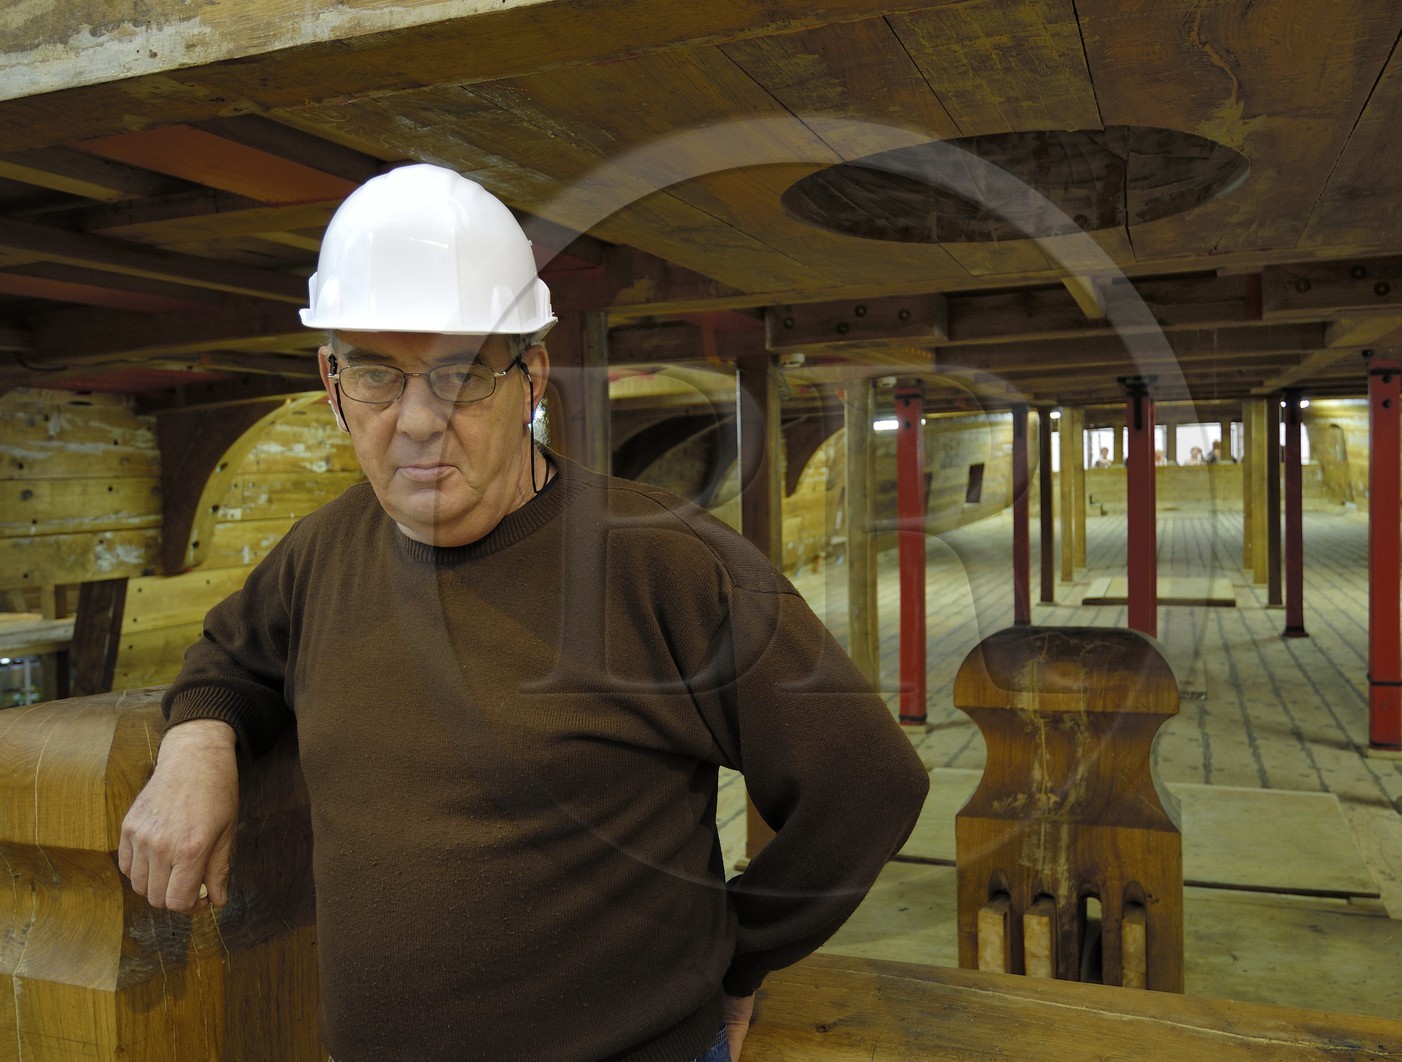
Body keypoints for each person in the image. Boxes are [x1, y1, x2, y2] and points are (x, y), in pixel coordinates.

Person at [118, 164, 929, 1062]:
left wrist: (738, 960)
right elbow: (232, 659)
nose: (418, 421)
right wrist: (197, 745)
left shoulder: (662, 562)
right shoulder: (322, 552)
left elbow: (867, 786)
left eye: (461, 375)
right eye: (378, 376)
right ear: (331, 380)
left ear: (531, 377)